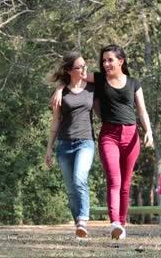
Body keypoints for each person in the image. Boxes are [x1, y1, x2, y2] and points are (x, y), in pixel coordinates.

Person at [51, 44, 153, 240]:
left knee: (125, 183)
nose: (105, 64)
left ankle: (121, 225)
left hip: (131, 135)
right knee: (114, 180)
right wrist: (59, 88)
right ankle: (115, 222)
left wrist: (148, 131)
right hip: (109, 135)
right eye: (104, 60)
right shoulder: (99, 79)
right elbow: (74, 78)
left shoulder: (134, 83)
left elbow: (142, 110)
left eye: (110, 60)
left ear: (121, 61)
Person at [45, 51, 95, 238]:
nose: (84, 69)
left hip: (86, 142)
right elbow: (56, 120)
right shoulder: (61, 92)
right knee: (70, 189)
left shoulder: (91, 87)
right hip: (64, 143)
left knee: (79, 178)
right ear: (69, 70)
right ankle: (78, 226)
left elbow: (109, 81)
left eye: (85, 65)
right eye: (79, 67)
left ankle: (83, 219)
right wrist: (49, 148)